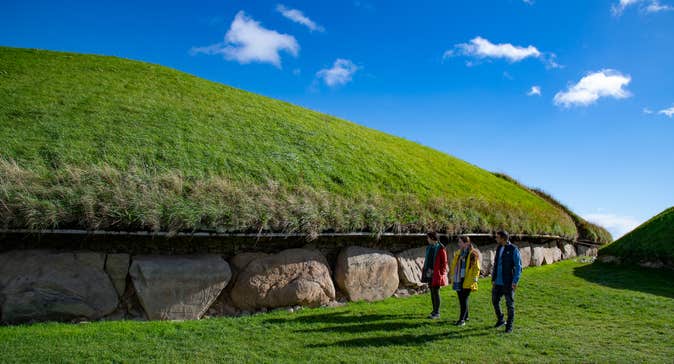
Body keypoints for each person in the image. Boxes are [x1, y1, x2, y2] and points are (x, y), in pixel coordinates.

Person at [491, 230, 522, 333]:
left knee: (510, 305)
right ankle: (500, 319)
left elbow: (518, 267)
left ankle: (509, 326)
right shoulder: (499, 248)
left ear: (503, 238)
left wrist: (515, 281)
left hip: (508, 282)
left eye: (497, 237)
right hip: (497, 282)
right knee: (495, 301)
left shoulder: (513, 249)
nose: (496, 239)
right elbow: (496, 264)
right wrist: (494, 278)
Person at [448, 236, 480, 326]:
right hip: (459, 279)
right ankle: (466, 316)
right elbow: (454, 265)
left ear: (466, 243)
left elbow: (477, 268)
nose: (458, 244)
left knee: (463, 300)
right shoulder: (458, 253)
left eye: (460, 242)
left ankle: (461, 320)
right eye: (458, 242)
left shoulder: (473, 253)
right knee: (461, 299)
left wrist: (474, 280)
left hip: (468, 280)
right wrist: (452, 275)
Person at [421, 231, 448, 319]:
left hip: (436, 273)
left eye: (428, 238)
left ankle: (437, 313)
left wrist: (441, 273)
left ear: (432, 238)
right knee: (432, 292)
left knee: (436, 292)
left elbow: (444, 262)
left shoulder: (440, 248)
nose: (427, 239)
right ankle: (434, 310)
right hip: (429, 272)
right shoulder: (429, 247)